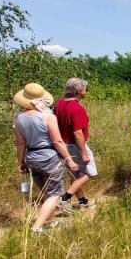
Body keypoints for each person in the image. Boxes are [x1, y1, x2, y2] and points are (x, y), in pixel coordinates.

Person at [13, 83, 80, 235]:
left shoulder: (19, 119)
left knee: (46, 192)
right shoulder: (48, 117)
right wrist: (69, 159)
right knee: (55, 194)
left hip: (31, 157)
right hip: (48, 157)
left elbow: (21, 142)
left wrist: (21, 161)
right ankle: (37, 227)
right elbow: (57, 141)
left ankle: (51, 221)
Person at [54, 78, 97, 210]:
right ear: (79, 91)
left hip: (63, 145)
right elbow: (78, 133)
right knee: (88, 173)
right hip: (75, 145)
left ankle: (83, 202)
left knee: (76, 175)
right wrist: (83, 153)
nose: (86, 92)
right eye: (85, 89)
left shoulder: (59, 104)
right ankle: (65, 198)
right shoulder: (77, 108)